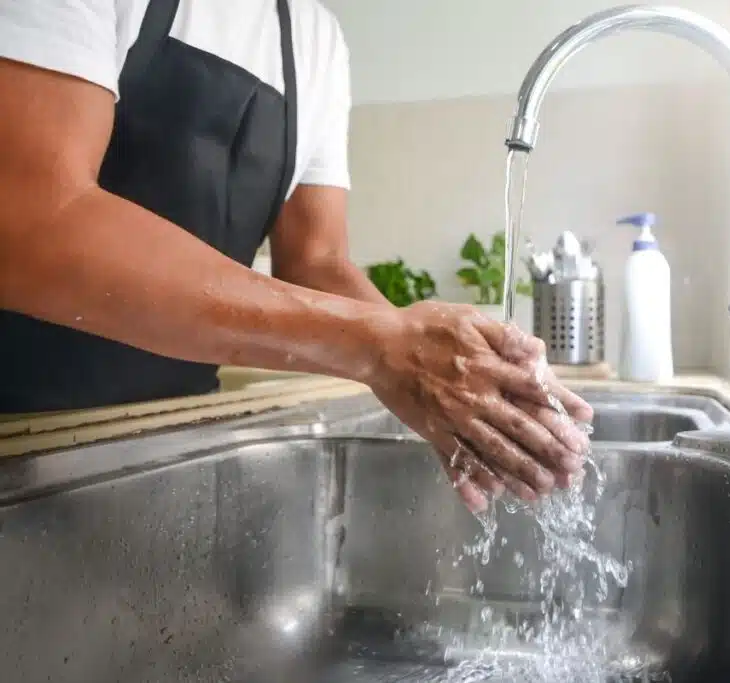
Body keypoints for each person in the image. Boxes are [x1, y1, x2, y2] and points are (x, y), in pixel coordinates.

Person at [0, 0, 592, 512]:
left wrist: (445, 373)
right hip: (19, 443)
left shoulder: (313, 36)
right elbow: (31, 219)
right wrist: (383, 347)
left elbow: (316, 258)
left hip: (168, 439)